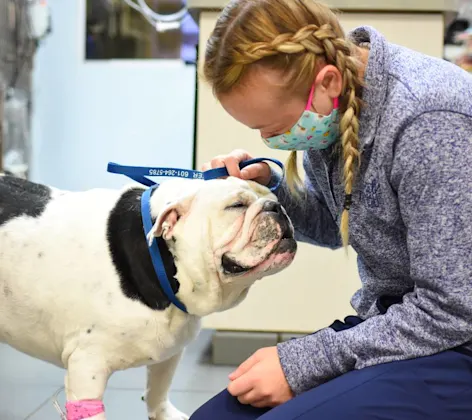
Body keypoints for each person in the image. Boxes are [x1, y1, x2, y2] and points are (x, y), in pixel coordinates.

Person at [190, 0, 472, 419]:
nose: (271, 139)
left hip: (452, 339)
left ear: (327, 81)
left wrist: (303, 362)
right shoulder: (335, 109)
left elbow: (453, 310)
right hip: (402, 324)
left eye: (274, 126)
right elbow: (335, 224)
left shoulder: (428, 122)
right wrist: (273, 185)